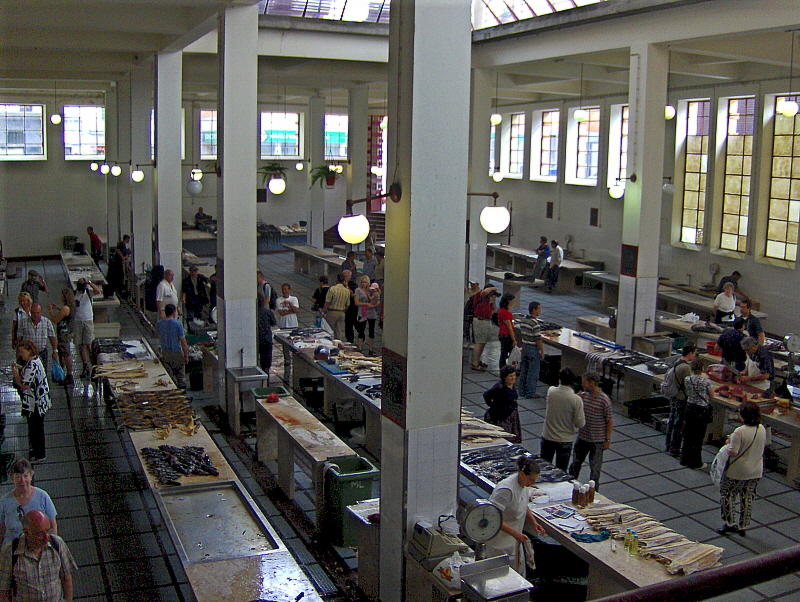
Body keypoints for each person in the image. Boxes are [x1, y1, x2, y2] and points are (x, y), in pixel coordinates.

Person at [484, 456, 546, 575]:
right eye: (531, 480)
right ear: (522, 475)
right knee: (500, 576)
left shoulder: (524, 485)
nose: (532, 483)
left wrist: (534, 522)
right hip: (499, 542)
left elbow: (523, 505)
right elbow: (492, 517)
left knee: (517, 574)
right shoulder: (506, 490)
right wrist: (516, 534)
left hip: (514, 539)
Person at [0, 510, 76, 602]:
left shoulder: (57, 544)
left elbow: (66, 578)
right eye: (39, 534)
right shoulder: (10, 551)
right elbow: (3, 590)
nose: (46, 537)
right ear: (26, 533)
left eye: (47, 531)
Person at [718, 402, 768, 536]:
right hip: (756, 469)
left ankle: (729, 523)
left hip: (737, 471)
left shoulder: (739, 431)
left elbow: (733, 452)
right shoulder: (761, 428)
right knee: (747, 497)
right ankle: (743, 525)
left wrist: (728, 442)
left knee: (728, 495)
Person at [568, 372, 613, 489]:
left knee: (595, 471)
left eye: (584, 383)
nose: (582, 385)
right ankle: (569, 487)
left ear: (592, 383)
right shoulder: (583, 396)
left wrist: (607, 439)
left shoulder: (604, 400)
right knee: (575, 465)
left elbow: (609, 421)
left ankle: (594, 493)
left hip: (597, 442)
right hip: (582, 438)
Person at [0, 459, 57, 544]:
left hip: (38, 547)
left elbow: (53, 527)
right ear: (12, 478)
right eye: (18, 477)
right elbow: (1, 531)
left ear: (31, 476)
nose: (22, 480)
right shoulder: (4, 502)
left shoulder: (43, 496)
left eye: (25, 476)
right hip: (12, 550)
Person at [11, 341, 51, 463]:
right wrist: (20, 368)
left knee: (36, 428)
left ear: (29, 351)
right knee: (36, 428)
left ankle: (39, 454)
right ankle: (36, 450)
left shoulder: (32, 365)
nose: (20, 355)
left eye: (22, 352)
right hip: (41, 400)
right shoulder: (35, 360)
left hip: (36, 404)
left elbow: (24, 385)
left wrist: (16, 374)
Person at [541, 368, 585, 471]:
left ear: (559, 379)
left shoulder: (551, 391)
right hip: (565, 439)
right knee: (561, 471)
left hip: (548, 436)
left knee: (543, 468)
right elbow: (580, 423)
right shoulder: (576, 400)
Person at [665, 344, 697, 457]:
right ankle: (674, 449)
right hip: (681, 398)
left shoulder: (677, 361)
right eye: (694, 353)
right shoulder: (686, 367)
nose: (695, 355)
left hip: (674, 395)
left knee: (672, 420)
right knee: (678, 425)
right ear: (690, 353)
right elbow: (688, 384)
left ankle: (668, 445)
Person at [680, 359, 713, 470]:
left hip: (689, 408)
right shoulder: (706, 381)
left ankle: (684, 459)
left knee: (688, 435)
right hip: (701, 410)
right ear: (702, 368)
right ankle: (696, 462)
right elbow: (711, 395)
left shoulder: (687, 379)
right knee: (698, 437)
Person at [483, 366, 521, 443]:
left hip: (510, 414)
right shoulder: (499, 387)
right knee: (503, 437)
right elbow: (486, 395)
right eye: (510, 376)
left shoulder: (512, 385)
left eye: (514, 375)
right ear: (505, 377)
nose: (513, 378)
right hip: (501, 417)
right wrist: (493, 406)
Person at [72, 278, 101, 379]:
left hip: (88, 320)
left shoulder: (89, 292)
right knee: (81, 345)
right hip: (78, 321)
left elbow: (98, 291)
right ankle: (85, 366)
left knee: (89, 344)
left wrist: (90, 282)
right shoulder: (74, 293)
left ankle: (94, 366)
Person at [156, 304, 188, 390]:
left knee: (169, 379)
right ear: (174, 312)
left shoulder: (159, 323)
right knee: (180, 377)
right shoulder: (178, 324)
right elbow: (183, 343)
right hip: (176, 354)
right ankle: (182, 395)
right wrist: (186, 356)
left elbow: (158, 335)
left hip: (165, 354)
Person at [17, 305, 57, 372]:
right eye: (33, 313)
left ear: (41, 312)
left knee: (42, 371)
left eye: (37, 313)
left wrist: (55, 351)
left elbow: (52, 337)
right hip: (28, 354)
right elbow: (19, 338)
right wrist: (19, 353)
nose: (35, 315)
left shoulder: (46, 322)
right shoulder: (23, 322)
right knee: (27, 372)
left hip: (42, 352)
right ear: (30, 312)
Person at [48, 289, 76, 386]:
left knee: (65, 353)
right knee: (64, 353)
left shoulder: (65, 308)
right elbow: (65, 312)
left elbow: (55, 319)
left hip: (63, 334)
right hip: (67, 332)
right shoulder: (71, 306)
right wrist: (58, 308)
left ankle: (69, 375)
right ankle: (66, 374)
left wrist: (51, 311)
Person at [517, 301, 544, 398]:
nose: (540, 311)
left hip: (524, 347)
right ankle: (530, 393)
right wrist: (542, 351)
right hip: (533, 349)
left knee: (524, 369)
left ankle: (521, 390)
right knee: (533, 372)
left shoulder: (523, 320)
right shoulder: (535, 323)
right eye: (539, 309)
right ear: (534, 310)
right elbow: (538, 339)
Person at [470, 286, 499, 371]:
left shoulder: (488, 301)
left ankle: (478, 361)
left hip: (486, 321)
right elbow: (485, 291)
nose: (494, 296)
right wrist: (493, 288)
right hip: (480, 321)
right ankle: (475, 364)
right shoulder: (480, 295)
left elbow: (495, 310)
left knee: (482, 343)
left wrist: (493, 301)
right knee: (479, 343)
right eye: (492, 295)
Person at [355, 278, 380, 355]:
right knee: (361, 330)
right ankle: (360, 347)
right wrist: (366, 304)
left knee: (371, 331)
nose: (363, 283)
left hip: (371, 312)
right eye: (362, 282)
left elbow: (378, 300)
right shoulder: (358, 290)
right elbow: (356, 302)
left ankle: (371, 349)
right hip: (362, 312)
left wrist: (374, 305)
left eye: (365, 282)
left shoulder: (371, 290)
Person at [323, 274, 351, 341]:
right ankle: (338, 346)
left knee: (329, 330)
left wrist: (324, 311)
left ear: (336, 280)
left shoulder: (332, 289)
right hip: (341, 313)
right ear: (344, 281)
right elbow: (347, 305)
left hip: (332, 312)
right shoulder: (347, 291)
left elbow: (327, 302)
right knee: (339, 332)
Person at [257, 296, 276, 378]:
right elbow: (273, 322)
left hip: (257, 340)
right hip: (267, 339)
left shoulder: (252, 312)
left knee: (258, 360)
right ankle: (266, 375)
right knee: (266, 362)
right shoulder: (267, 312)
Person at [496, 294, 518, 369]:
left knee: (504, 353)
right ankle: (505, 368)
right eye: (513, 301)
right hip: (506, 335)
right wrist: (514, 339)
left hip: (502, 334)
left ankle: (504, 368)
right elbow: (509, 327)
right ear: (509, 301)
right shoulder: (506, 313)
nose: (514, 302)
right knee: (506, 353)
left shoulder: (501, 310)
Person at [342, 270, 358, 343]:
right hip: (345, 308)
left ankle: (360, 336)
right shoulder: (340, 284)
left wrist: (347, 287)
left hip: (353, 308)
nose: (345, 278)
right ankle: (349, 340)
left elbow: (353, 295)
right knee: (348, 325)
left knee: (356, 323)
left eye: (346, 276)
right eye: (344, 276)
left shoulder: (353, 285)